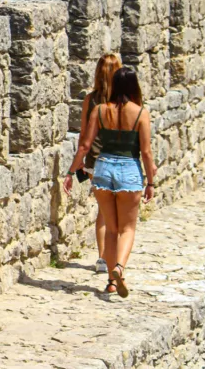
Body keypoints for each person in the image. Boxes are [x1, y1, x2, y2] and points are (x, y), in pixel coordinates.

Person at [64, 68, 156, 298]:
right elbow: (145, 152)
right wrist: (151, 182)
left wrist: (71, 171)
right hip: (129, 170)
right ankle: (119, 268)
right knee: (127, 228)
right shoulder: (140, 113)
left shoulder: (100, 110)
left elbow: (85, 145)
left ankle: (112, 283)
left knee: (112, 228)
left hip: (103, 169)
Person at [79, 54, 122, 274]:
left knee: (103, 212)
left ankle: (103, 258)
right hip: (121, 161)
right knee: (118, 211)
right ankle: (116, 260)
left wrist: (78, 165)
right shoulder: (125, 101)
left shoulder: (90, 99)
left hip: (95, 162)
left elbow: (84, 136)